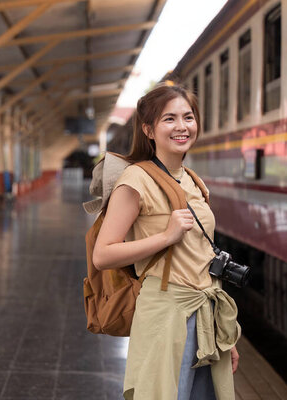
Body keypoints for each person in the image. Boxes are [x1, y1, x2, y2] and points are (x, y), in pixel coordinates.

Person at [92, 82, 241, 399]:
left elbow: (201, 257)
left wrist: (225, 336)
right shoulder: (136, 180)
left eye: (188, 117)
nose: (182, 127)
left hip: (205, 314)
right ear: (148, 129)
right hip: (165, 315)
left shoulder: (194, 181)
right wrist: (166, 236)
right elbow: (103, 255)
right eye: (169, 119)